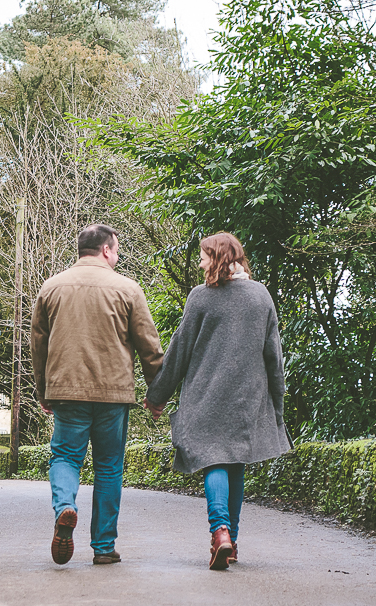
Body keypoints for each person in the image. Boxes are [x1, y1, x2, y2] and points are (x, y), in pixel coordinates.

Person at [144, 231, 290, 570]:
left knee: (214, 460)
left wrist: (157, 396)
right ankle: (231, 542)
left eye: (204, 256)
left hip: (206, 396)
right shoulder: (261, 296)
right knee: (234, 463)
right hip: (246, 399)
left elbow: (178, 351)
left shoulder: (201, 297)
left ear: (219, 257)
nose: (200, 262)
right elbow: (274, 356)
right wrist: (277, 405)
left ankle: (220, 531)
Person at [30, 223, 163, 566]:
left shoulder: (51, 287)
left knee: (64, 457)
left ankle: (66, 507)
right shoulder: (127, 289)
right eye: (116, 249)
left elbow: (38, 344)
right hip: (113, 393)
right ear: (106, 250)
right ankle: (103, 547)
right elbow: (149, 347)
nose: (117, 256)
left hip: (67, 390)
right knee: (108, 467)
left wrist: (43, 388)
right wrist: (157, 392)